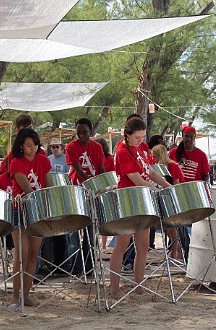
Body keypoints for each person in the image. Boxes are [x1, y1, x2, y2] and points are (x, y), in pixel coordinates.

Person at [109, 117, 172, 296]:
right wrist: (156, 191)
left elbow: (150, 171)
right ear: (127, 135)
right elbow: (136, 179)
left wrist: (168, 186)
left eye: (143, 137)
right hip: (128, 199)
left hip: (143, 200)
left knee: (143, 245)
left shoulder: (143, 147)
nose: (141, 141)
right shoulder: (121, 150)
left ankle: (138, 285)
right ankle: (114, 288)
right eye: (137, 138)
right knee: (121, 244)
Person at [9, 128, 52, 307]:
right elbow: (27, 189)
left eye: (35, 144)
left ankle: (26, 296)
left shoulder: (43, 160)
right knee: (22, 255)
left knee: (34, 255)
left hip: (38, 212)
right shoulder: (16, 163)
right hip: (20, 210)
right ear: (21, 146)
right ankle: (15, 297)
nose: (33, 148)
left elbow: (48, 185)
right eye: (28, 145)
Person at [65, 118, 105, 275]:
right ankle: (75, 266)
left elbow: (101, 169)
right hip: (77, 190)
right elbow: (78, 169)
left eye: (85, 132)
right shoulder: (71, 147)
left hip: (93, 193)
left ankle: (89, 267)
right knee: (75, 231)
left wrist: (100, 187)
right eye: (78, 132)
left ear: (91, 132)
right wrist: (91, 185)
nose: (81, 135)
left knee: (90, 230)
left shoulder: (97, 147)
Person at [169, 125, 210, 261]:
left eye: (191, 137)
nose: (188, 139)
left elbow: (205, 175)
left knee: (195, 224)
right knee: (178, 223)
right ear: (183, 136)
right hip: (178, 193)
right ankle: (185, 250)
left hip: (193, 194)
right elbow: (167, 171)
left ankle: (194, 252)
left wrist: (204, 188)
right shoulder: (174, 153)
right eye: (186, 136)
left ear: (195, 138)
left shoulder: (201, 155)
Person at [151, 144, 185, 259]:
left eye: (155, 156)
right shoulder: (156, 166)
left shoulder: (172, 165)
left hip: (170, 198)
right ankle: (178, 249)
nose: (153, 159)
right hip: (160, 198)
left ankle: (174, 253)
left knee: (172, 227)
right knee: (165, 228)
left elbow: (176, 183)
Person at [94, 137, 115, 256]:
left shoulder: (109, 159)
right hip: (95, 190)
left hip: (106, 191)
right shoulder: (94, 159)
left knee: (104, 219)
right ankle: (97, 245)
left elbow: (113, 176)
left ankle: (103, 245)